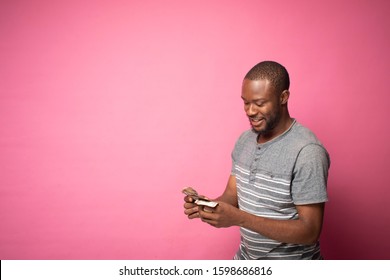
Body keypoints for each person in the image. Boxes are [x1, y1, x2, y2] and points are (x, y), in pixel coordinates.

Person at [183, 61, 330, 259]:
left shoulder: (307, 152)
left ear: (283, 97)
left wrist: (240, 219)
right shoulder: (245, 140)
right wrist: (208, 207)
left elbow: (310, 231)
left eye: (259, 103)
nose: (250, 111)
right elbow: (232, 195)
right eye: (246, 102)